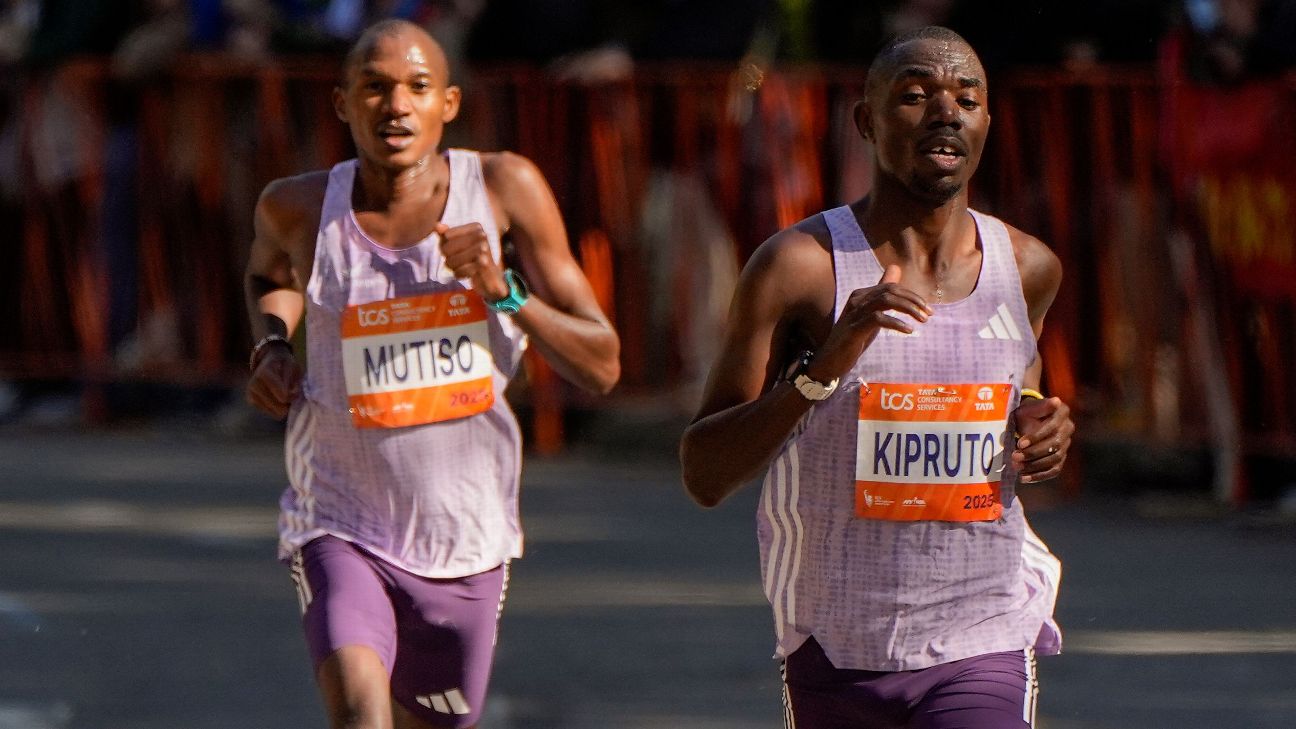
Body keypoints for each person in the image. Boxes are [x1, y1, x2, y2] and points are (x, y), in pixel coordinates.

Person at [680, 26, 1073, 728]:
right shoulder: (800, 267)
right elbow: (705, 472)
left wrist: (1039, 413)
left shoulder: (1028, 267)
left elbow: (1022, 373)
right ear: (866, 121)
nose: (945, 113)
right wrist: (821, 370)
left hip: (982, 631)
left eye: (967, 100)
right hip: (836, 641)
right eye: (916, 96)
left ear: (987, 121)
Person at [243, 19, 619, 729]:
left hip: (466, 537)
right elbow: (268, 274)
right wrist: (271, 344)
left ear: (448, 103)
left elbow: (601, 362)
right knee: (361, 713)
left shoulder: (504, 188)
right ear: (342, 104)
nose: (396, 106)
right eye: (374, 87)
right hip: (339, 519)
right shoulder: (297, 206)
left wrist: (502, 290)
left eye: (417, 87)